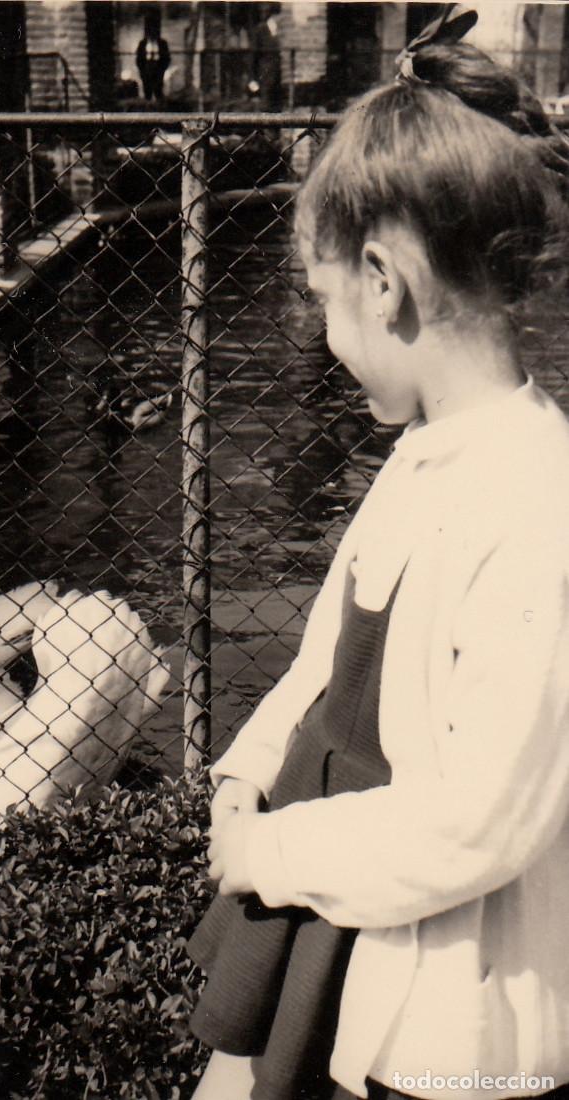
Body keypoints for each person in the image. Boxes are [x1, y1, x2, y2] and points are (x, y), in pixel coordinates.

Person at [186, 6, 569, 1100]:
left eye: (320, 301)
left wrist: (268, 854)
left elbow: (475, 821)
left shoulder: (533, 501)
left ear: (382, 279)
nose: (320, 332)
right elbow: (322, 664)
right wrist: (244, 772)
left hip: (449, 1021)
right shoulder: (421, 456)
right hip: (349, 930)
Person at [136, 12, 170, 104]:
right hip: (146, 67)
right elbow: (139, 58)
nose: (152, 32)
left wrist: (163, 68)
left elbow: (166, 57)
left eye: (154, 30)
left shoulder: (162, 43)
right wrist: (142, 69)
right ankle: (148, 105)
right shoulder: (142, 43)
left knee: (158, 87)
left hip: (158, 67)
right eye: (149, 30)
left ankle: (159, 105)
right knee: (147, 87)